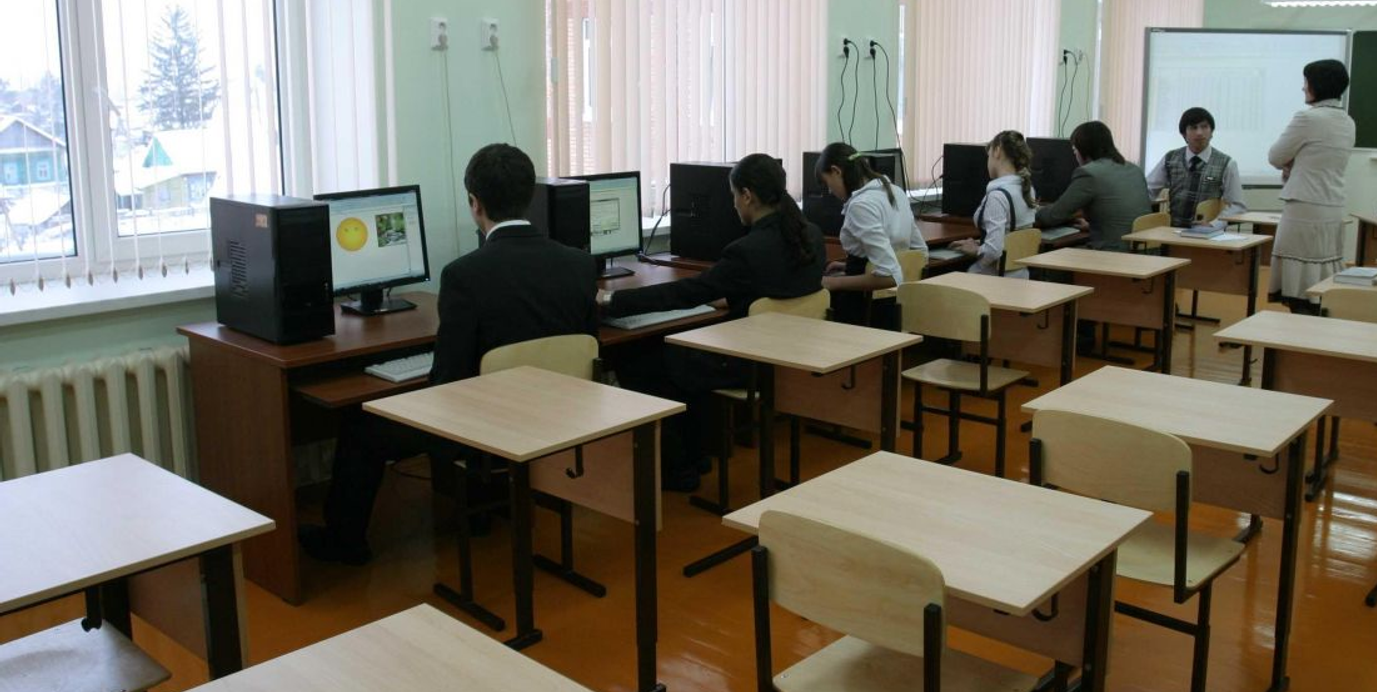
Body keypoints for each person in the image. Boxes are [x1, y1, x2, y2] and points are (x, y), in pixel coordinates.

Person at [300, 143, 598, 565]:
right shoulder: (579, 264)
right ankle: (485, 506)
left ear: (474, 203)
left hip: (486, 428)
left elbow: (447, 382)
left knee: (359, 425)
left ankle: (344, 543)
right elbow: (586, 347)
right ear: (530, 195)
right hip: (558, 417)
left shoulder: (463, 276)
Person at [602, 153, 825, 490]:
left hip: (743, 363)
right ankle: (697, 454)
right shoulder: (812, 236)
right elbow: (773, 288)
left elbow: (686, 293)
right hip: (787, 356)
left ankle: (680, 466)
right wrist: (730, 295)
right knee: (681, 355)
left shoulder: (748, 250)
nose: (733, 204)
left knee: (638, 357)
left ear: (747, 195)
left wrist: (613, 301)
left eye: (733, 195)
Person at [1268, 59, 1356, 313]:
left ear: (1317, 85)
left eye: (1306, 82)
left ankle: (1300, 330)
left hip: (1304, 207)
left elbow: (1275, 157)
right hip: (1333, 207)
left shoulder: (1308, 118)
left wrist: (1292, 164)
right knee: (1321, 285)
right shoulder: (1348, 121)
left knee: (1299, 288)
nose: (1303, 88)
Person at [815, 143, 928, 323]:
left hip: (866, 310)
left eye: (827, 183)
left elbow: (890, 275)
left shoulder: (861, 205)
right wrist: (851, 268)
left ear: (836, 171)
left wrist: (832, 282)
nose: (830, 191)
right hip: (894, 307)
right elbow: (920, 253)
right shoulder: (896, 192)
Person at [1035, 121, 1150, 251]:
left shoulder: (1089, 173)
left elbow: (1054, 215)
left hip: (1114, 253)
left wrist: (1031, 214)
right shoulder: (1134, 169)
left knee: (1053, 256)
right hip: (1146, 250)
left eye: (1075, 150)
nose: (1075, 156)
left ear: (1083, 150)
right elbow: (1122, 215)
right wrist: (1093, 226)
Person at [950, 130, 1037, 275]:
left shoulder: (997, 196)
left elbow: (994, 251)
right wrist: (981, 242)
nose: (987, 162)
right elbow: (1011, 237)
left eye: (989, 155)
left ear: (997, 151)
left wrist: (977, 250)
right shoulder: (1027, 189)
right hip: (1020, 276)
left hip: (994, 279)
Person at [1146, 106, 1247, 227]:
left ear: (1211, 132)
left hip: (1208, 233)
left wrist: (1214, 224)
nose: (1199, 133)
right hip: (1172, 231)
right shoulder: (1170, 158)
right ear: (1184, 134)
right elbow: (1148, 190)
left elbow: (1238, 206)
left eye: (1204, 127)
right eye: (1193, 128)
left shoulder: (1227, 163)